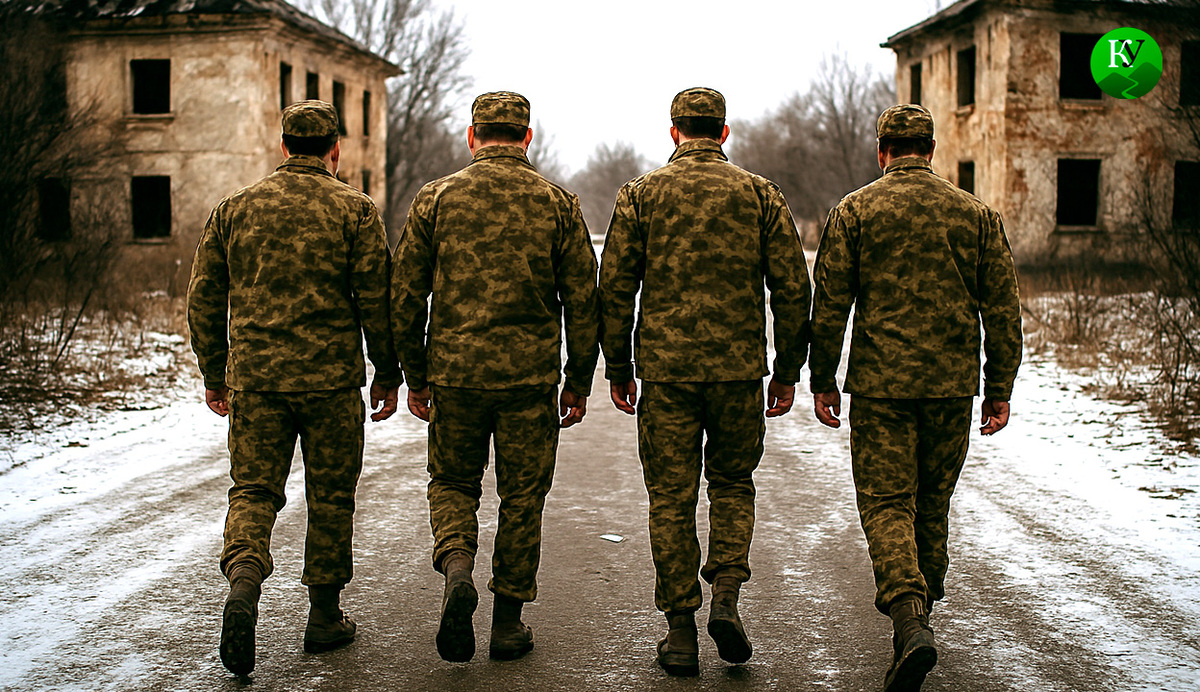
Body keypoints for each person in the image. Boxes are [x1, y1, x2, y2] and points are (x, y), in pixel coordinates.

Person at [809, 104, 1023, 692]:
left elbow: (829, 305)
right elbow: (1003, 310)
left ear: (882, 151)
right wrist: (999, 386)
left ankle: (908, 617)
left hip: (881, 387)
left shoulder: (855, 211)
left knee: (886, 503)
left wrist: (823, 376)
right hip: (952, 387)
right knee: (930, 503)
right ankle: (922, 614)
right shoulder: (976, 215)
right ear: (931, 148)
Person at [599, 87, 812, 677]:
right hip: (738, 371)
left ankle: (679, 632)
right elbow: (792, 289)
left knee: (671, 497)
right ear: (723, 132)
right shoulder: (759, 194)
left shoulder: (641, 195)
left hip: (666, 375)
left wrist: (617, 365)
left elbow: (615, 288)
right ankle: (725, 597)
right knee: (732, 485)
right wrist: (788, 370)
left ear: (674, 132)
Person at [187, 100, 401, 676]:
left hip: (257, 382)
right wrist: (388, 369)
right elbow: (375, 299)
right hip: (331, 383)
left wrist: (215, 371)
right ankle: (324, 618)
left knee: (254, 491)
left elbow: (204, 298)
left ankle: (244, 584)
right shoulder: (354, 210)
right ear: (336, 149)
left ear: (283, 146)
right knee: (331, 495)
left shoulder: (235, 209)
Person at [391, 91, 600, 663]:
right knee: (522, 496)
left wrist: (414, 374)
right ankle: (507, 622)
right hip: (529, 381)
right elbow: (584, 300)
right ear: (527, 137)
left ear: (471, 135)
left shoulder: (435, 199)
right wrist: (578, 380)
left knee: (455, 484)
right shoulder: (557, 203)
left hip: (455, 376)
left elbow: (405, 296)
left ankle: (458, 564)